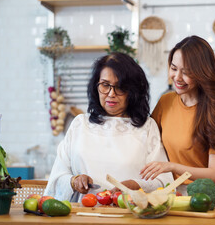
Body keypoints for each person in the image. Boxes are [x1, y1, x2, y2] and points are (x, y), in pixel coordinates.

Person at [44, 52, 173, 202]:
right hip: (83, 216)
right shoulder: (80, 124)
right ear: (96, 86)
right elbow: (57, 177)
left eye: (120, 87)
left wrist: (137, 185)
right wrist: (74, 181)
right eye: (105, 85)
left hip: (130, 216)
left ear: (133, 91)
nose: (111, 94)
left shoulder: (147, 127)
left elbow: (164, 182)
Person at [140, 36, 215, 202]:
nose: (177, 77)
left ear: (203, 73)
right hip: (173, 193)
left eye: (186, 72)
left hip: (207, 197)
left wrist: (172, 167)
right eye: (174, 68)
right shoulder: (165, 102)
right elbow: (148, 142)